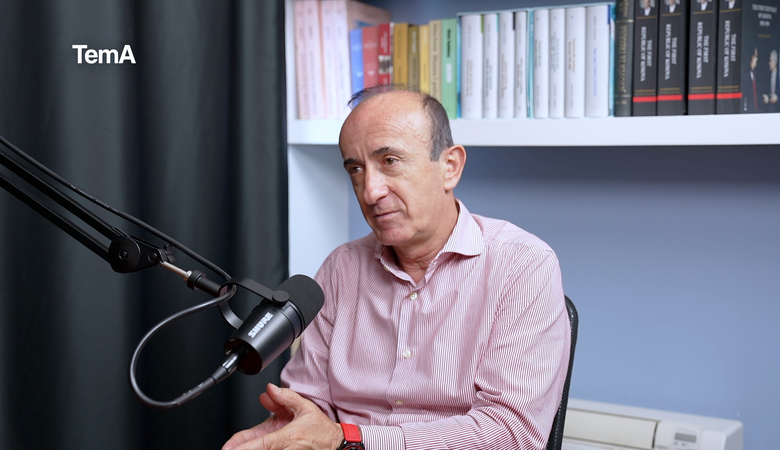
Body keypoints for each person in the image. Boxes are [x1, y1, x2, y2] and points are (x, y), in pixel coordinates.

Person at [222, 86, 570, 450]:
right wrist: (291, 428)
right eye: (356, 169)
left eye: (389, 161)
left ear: (450, 167)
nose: (370, 192)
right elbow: (309, 403)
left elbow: (511, 433)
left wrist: (351, 439)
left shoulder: (523, 266)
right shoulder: (341, 269)